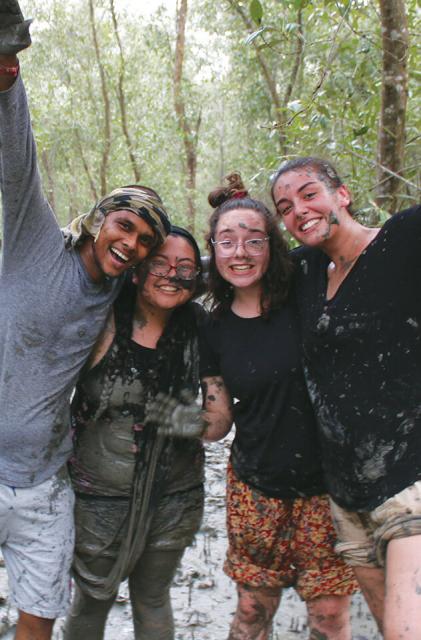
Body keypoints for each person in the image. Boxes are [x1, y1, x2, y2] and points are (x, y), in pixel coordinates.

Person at [0, 4, 170, 639]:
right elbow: (19, 161)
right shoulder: (33, 240)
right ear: (101, 218)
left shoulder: (125, 293)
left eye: (145, 239)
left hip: (45, 485)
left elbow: (193, 278)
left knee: (39, 621)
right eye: (125, 225)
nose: (132, 243)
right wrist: (9, 72)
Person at [197, 174, 357, 640]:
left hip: (329, 492)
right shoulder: (214, 327)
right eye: (227, 241)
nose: (240, 252)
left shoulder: (309, 284)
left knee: (330, 618)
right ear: (215, 249)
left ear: (274, 246)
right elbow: (217, 418)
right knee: (251, 614)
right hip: (256, 490)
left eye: (253, 240)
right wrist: (164, 417)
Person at [271, 156, 421, 639]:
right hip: (347, 499)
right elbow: (241, 265)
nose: (299, 210)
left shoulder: (402, 241)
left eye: (309, 194)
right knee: (383, 626)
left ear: (343, 194)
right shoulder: (306, 272)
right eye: (285, 207)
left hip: (410, 483)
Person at [64, 226, 221, 640]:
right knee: (92, 598)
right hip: (97, 496)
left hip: (175, 495)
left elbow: (220, 420)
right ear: (136, 271)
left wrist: (192, 422)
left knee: (152, 597)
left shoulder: (200, 326)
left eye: (184, 267)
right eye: (159, 264)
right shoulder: (102, 318)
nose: (171, 274)